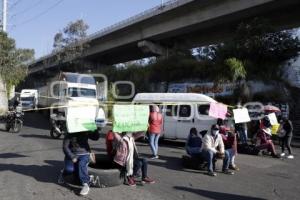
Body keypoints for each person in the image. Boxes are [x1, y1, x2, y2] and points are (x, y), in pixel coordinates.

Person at [58, 131, 100, 196]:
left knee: (81, 164)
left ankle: (86, 184)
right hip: (72, 154)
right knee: (69, 169)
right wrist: (72, 156)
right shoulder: (70, 132)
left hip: (85, 154)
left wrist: (96, 129)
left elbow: (95, 138)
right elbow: (65, 147)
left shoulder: (85, 130)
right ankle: (63, 172)